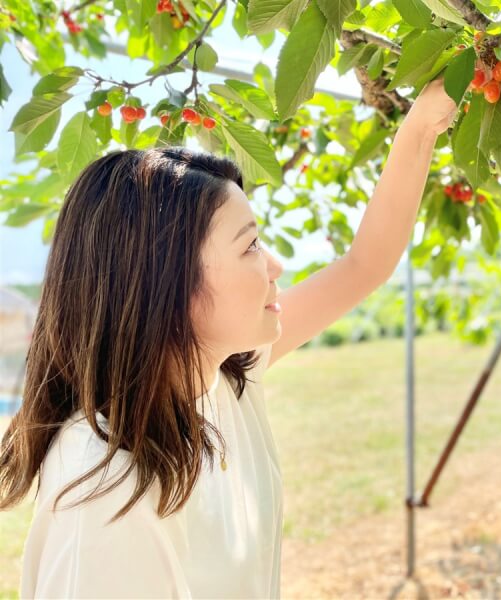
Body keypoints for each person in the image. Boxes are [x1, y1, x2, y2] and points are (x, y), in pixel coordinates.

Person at [0, 80, 457, 598]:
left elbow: (364, 264)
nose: (276, 265)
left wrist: (421, 125)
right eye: (251, 246)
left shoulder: (224, 377)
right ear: (168, 287)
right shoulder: (104, 488)